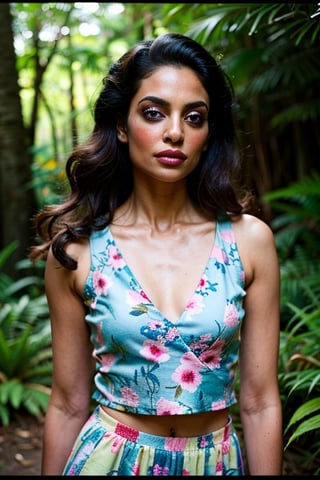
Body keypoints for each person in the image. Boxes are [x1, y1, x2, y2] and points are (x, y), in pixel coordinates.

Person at [30, 32, 283, 476]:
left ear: (208, 133)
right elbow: (68, 404)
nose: (174, 132)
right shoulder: (77, 251)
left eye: (194, 117)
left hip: (215, 462)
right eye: (154, 113)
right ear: (123, 127)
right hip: (108, 460)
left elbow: (261, 401)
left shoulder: (249, 241)